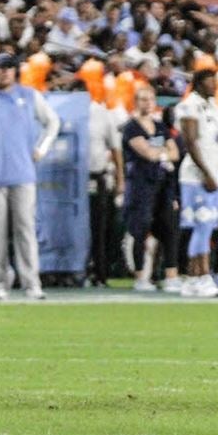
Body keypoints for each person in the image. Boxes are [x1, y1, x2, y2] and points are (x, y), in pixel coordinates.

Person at [0, 52, 59, 301]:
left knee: (26, 230)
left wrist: (41, 149)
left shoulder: (29, 95)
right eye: (1, 67)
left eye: (9, 68)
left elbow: (53, 122)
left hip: (23, 173)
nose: (5, 72)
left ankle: (32, 283)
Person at [177, 68, 218, 298]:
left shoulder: (214, 108)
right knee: (201, 227)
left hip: (213, 175)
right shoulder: (190, 105)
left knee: (206, 227)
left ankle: (192, 279)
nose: (214, 85)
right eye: (210, 81)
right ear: (198, 83)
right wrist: (207, 173)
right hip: (196, 176)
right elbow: (190, 142)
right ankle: (201, 276)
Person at [121, 85, 181, 292]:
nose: (147, 103)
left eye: (150, 99)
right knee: (141, 228)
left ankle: (171, 275)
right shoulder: (131, 127)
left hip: (162, 184)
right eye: (143, 99)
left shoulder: (160, 126)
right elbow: (146, 153)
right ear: (136, 102)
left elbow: (175, 153)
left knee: (169, 228)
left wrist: (161, 153)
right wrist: (162, 153)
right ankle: (141, 276)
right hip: (141, 185)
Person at [85, 79, 125, 287]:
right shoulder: (64, 113)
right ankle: (73, 271)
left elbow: (116, 149)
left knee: (100, 228)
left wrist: (120, 179)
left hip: (97, 177)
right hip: (69, 181)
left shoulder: (101, 114)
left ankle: (100, 273)